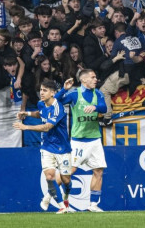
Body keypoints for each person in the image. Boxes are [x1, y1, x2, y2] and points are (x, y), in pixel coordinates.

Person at [13, 79, 72, 214]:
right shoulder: (41, 104)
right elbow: (40, 114)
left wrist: (26, 126)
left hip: (62, 148)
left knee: (66, 180)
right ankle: (62, 206)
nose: (41, 93)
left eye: (45, 90)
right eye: (40, 90)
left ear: (52, 93)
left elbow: (47, 127)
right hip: (46, 147)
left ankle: (66, 196)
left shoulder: (59, 108)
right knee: (50, 177)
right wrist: (27, 113)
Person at [54, 69, 108, 212]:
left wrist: (95, 107)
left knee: (98, 171)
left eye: (95, 77)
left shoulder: (98, 93)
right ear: (84, 80)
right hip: (78, 140)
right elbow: (55, 101)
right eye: (93, 77)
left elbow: (104, 108)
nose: (96, 79)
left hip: (95, 139)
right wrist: (63, 89)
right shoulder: (74, 93)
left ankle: (93, 205)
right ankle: (50, 191)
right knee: (70, 171)